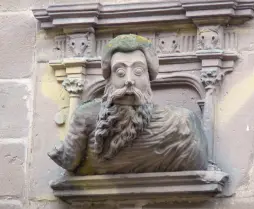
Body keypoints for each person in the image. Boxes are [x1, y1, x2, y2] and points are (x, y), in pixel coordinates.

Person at [48, 34, 208, 175]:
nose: (129, 80)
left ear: (147, 80)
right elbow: (68, 160)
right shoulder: (85, 116)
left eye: (138, 72)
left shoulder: (182, 124)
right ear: (109, 82)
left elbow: (196, 158)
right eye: (120, 73)